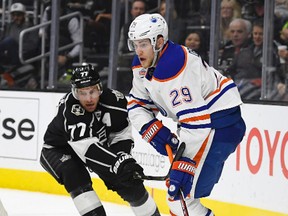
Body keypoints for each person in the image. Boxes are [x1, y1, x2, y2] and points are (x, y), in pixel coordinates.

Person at [126, 13, 246, 216]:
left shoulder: (174, 65)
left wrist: (185, 159)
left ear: (159, 42)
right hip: (207, 125)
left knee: (179, 193)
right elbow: (137, 103)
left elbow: (197, 124)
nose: (138, 51)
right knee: (181, 194)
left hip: (218, 125)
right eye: (135, 44)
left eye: (144, 44)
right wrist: (151, 129)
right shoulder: (142, 63)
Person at [39, 64, 160, 216]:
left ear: (99, 88)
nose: (89, 99)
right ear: (75, 93)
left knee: (130, 184)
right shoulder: (70, 110)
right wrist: (119, 163)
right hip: (58, 150)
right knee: (75, 176)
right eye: (82, 93)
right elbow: (88, 150)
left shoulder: (115, 101)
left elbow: (121, 134)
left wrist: (123, 159)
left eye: (92, 91)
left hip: (97, 148)